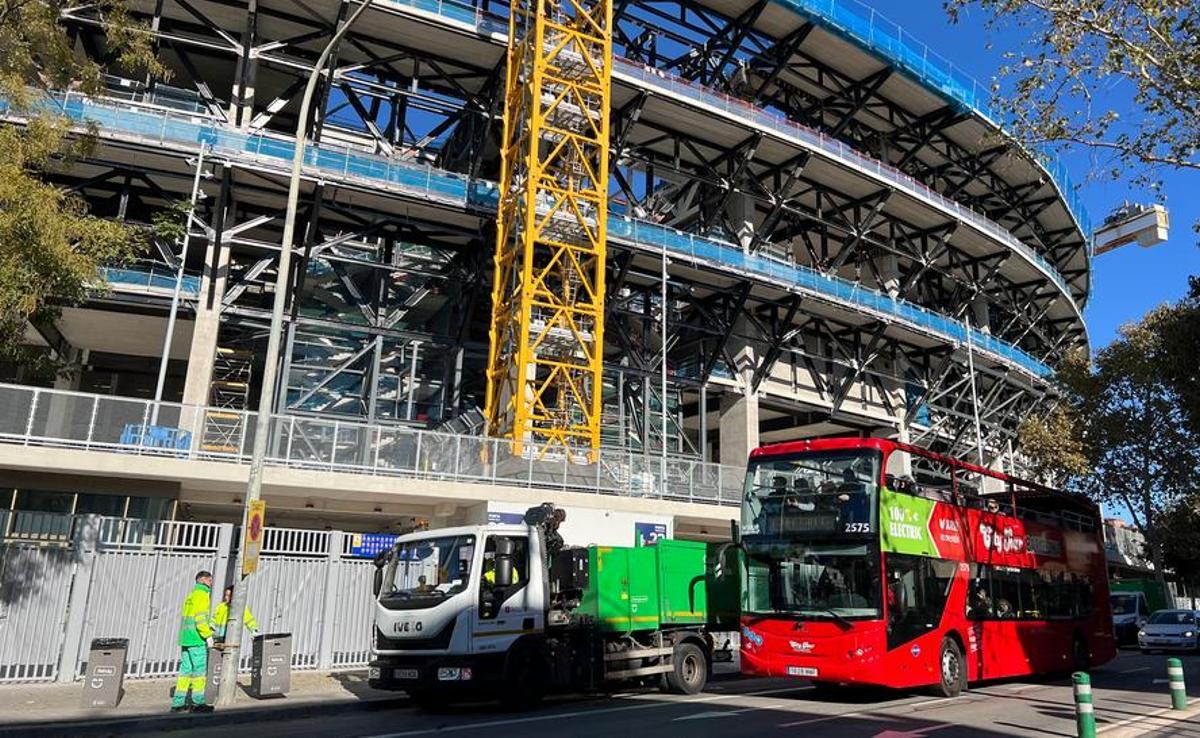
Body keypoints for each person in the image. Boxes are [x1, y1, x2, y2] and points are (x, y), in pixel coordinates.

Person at [171, 570, 215, 713]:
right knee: (199, 673)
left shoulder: (190, 596)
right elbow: (200, 618)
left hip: (185, 639)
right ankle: (198, 703)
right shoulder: (202, 595)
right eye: (209, 580)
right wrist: (207, 635)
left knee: (185, 672)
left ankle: (178, 703)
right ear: (202, 580)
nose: (211, 583)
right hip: (197, 639)